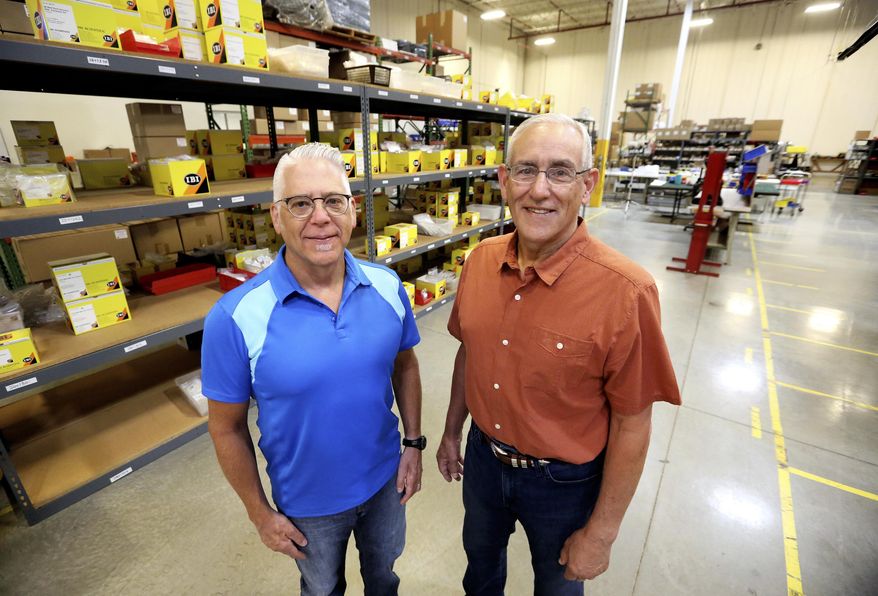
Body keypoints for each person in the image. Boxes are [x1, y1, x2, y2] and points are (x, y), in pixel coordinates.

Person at [436, 113, 681, 595]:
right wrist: (450, 432)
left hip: (564, 485)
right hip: (484, 461)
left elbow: (633, 423)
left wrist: (602, 533)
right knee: (480, 572)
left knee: (558, 587)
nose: (540, 190)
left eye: (561, 172)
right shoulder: (480, 261)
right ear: (504, 181)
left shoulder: (627, 292)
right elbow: (470, 353)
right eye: (525, 170)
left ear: (587, 184)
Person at [202, 143, 425, 596]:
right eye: (301, 203)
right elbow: (226, 428)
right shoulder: (236, 317)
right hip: (307, 505)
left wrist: (414, 444)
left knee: (384, 576)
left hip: (386, 482)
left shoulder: (386, 286)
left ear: (353, 210)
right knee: (322, 589)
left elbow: (405, 364)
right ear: (276, 216)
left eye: (333, 201)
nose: (320, 218)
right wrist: (259, 513)